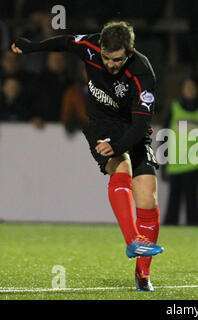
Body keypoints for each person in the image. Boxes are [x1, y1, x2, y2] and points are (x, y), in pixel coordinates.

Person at [11, 21, 164, 291]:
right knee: (122, 167)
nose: (109, 63)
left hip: (133, 128)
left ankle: (142, 274)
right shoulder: (91, 46)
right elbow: (66, 42)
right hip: (102, 124)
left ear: (129, 52)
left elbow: (140, 125)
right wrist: (33, 47)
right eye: (105, 57)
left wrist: (119, 145)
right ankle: (133, 240)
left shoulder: (143, 73)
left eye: (116, 59)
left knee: (148, 195)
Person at [163, 78, 198, 226]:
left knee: (192, 198)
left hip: (195, 162)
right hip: (175, 161)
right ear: (182, 90)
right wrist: (163, 160)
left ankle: (194, 227)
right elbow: (164, 135)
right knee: (173, 199)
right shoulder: (174, 108)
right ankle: (170, 226)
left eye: (192, 88)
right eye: (187, 87)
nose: (189, 91)